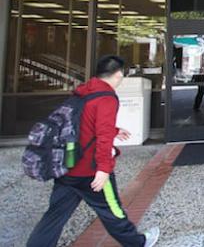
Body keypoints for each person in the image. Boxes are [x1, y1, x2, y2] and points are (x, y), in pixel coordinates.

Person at [27, 55, 160, 247]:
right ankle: (137, 242)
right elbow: (103, 136)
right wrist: (103, 168)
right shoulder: (106, 98)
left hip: (67, 166)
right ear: (118, 74)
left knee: (54, 215)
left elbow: (79, 124)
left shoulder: (82, 92)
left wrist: (115, 130)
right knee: (112, 210)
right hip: (89, 170)